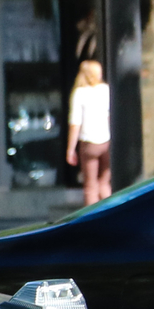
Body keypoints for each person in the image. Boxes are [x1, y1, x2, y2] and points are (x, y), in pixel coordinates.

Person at [64, 58, 112, 202]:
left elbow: (75, 123)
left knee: (90, 187)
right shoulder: (105, 90)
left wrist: (70, 149)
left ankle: (92, 219)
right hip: (106, 141)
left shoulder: (79, 93)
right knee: (104, 183)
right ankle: (112, 213)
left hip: (89, 143)